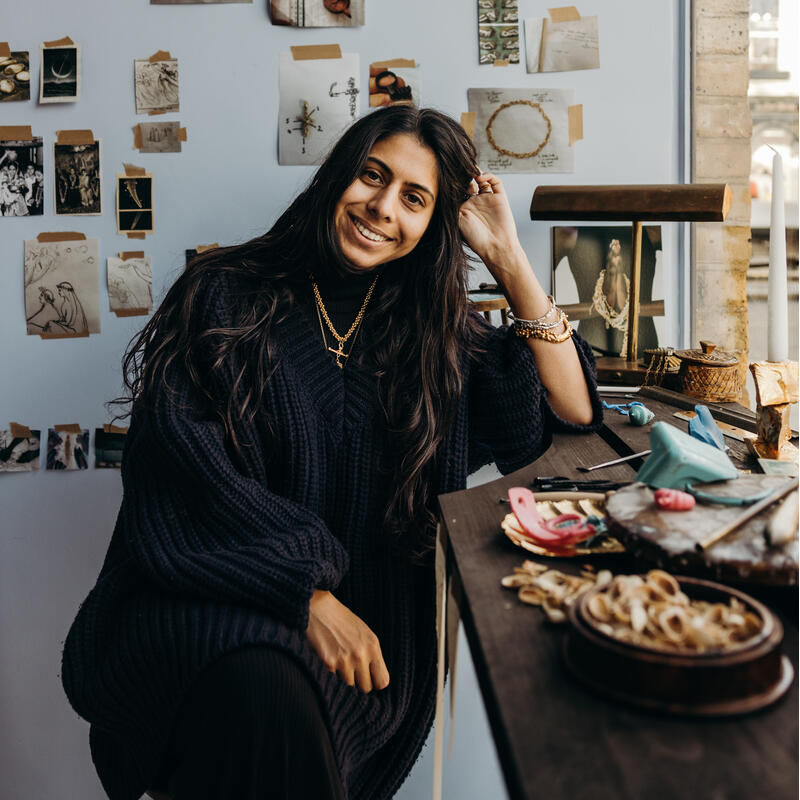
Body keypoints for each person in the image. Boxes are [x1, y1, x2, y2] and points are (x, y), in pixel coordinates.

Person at [61, 106, 601, 800]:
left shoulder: (433, 339)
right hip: (203, 592)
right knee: (262, 693)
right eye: (370, 176)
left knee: (280, 711)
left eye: (414, 198)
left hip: (366, 626)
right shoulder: (223, 293)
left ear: (435, 222)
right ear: (337, 175)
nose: (380, 207)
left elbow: (573, 406)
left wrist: (507, 258)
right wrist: (304, 591)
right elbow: (185, 475)